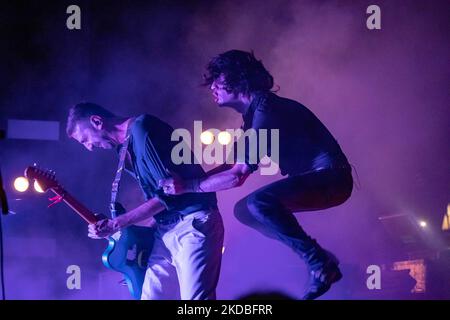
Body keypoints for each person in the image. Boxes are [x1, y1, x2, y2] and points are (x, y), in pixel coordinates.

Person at [159, 50, 354, 300]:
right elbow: (231, 165)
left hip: (332, 178)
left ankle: (319, 262)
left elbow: (236, 176)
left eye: (217, 80)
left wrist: (188, 187)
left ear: (236, 78)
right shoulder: (252, 115)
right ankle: (319, 260)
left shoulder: (266, 107)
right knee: (245, 210)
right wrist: (189, 183)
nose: (212, 89)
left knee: (258, 204)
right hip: (324, 180)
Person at [66, 103, 224, 300]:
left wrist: (117, 223)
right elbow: (158, 199)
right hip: (166, 230)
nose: (89, 147)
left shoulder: (143, 129)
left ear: (97, 122)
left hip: (193, 224)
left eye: (85, 140)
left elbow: (169, 195)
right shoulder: (123, 149)